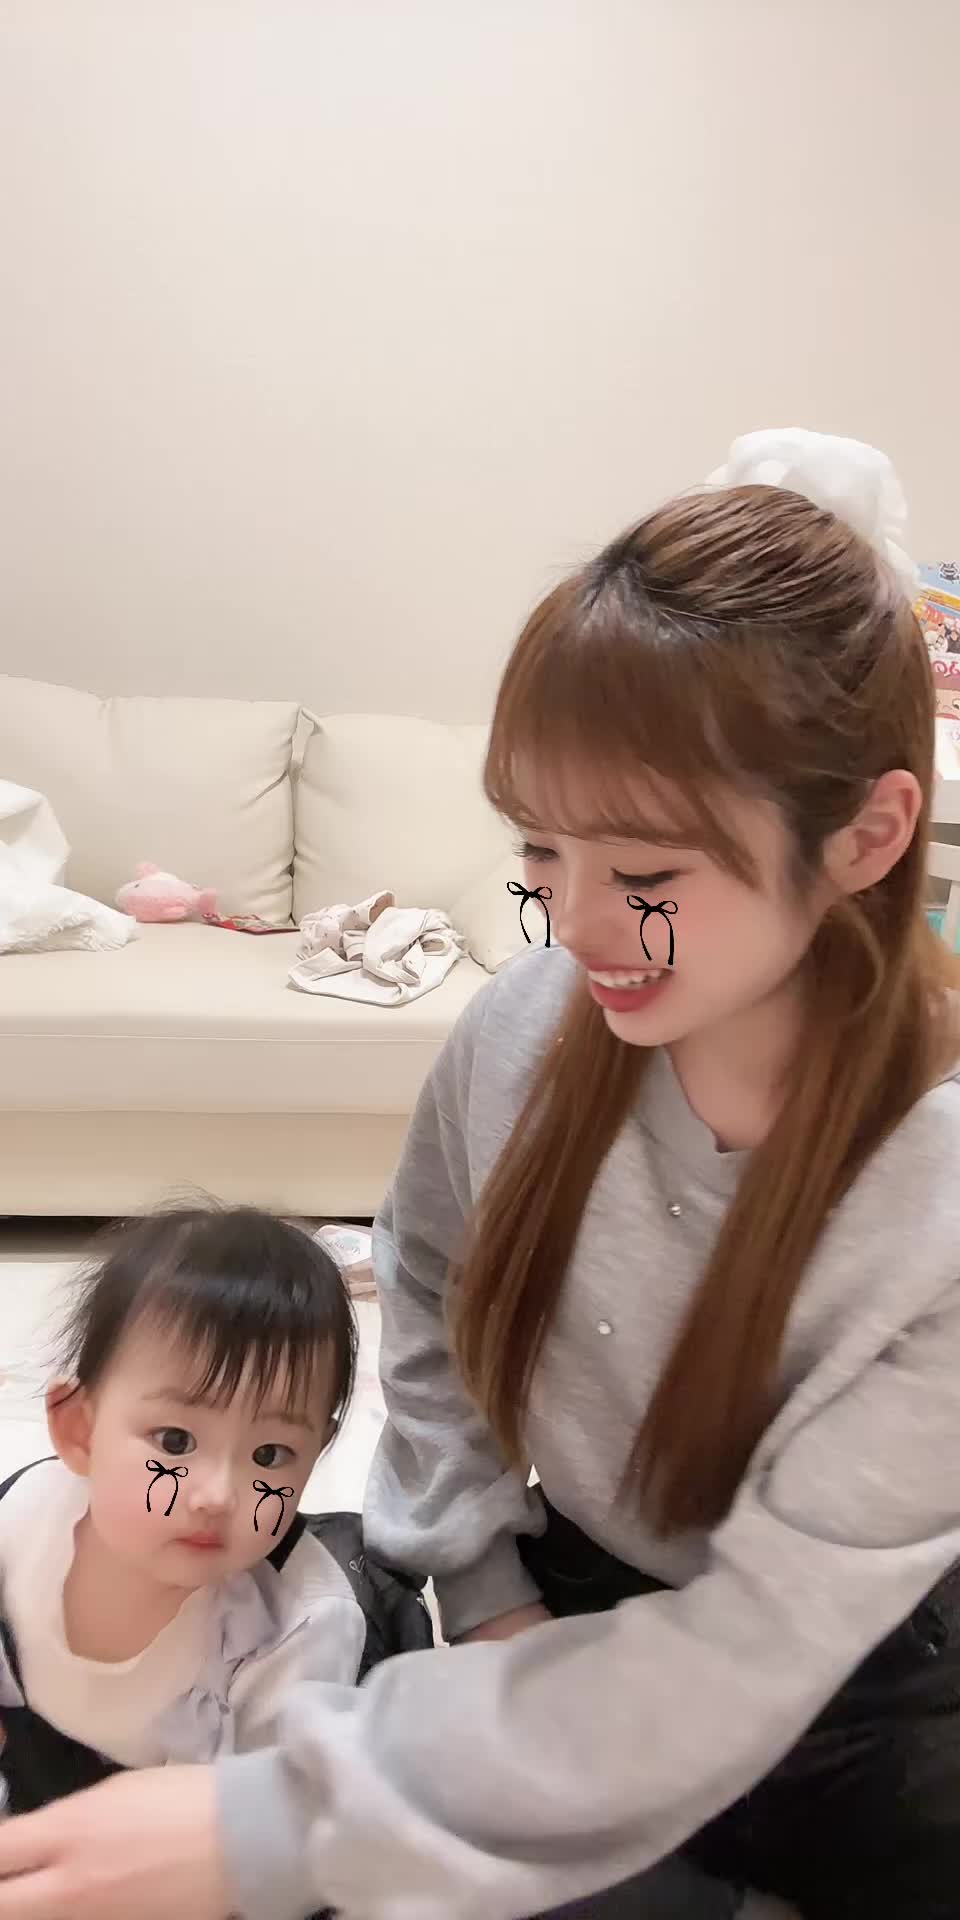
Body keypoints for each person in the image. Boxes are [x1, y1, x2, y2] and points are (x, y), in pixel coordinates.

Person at [0, 428, 957, 1920]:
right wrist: (487, 1592)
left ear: (866, 836)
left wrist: (277, 1822)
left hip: (857, 1673)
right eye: (542, 855)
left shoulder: (931, 1190)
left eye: (646, 877)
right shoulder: (527, 1029)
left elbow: (760, 1646)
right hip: (568, 1597)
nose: (574, 925)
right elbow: (433, 1291)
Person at [0, 1205, 365, 1823]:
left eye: (270, 1455)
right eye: (175, 1442)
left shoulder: (297, 1627)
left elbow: (265, 1829)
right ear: (80, 1429)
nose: (218, 1495)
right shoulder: (21, 1518)